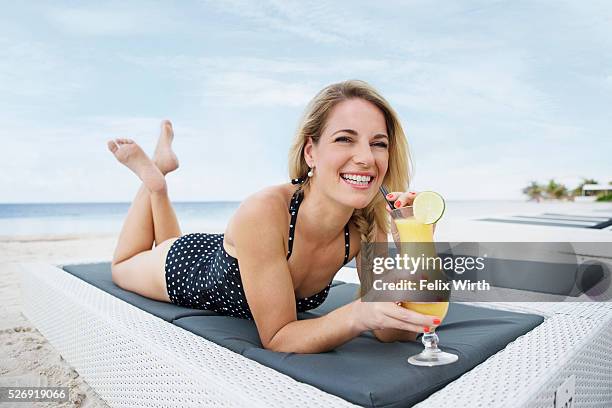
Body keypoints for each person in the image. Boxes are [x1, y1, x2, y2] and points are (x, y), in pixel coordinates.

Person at [107, 80, 440, 353]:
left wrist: (416, 248)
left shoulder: (368, 223)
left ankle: (160, 179)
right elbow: (279, 337)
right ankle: (154, 182)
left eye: (378, 143)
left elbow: (390, 333)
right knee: (124, 264)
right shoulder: (264, 212)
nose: (366, 158)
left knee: (166, 239)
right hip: (185, 267)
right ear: (311, 152)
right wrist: (355, 315)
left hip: (236, 252)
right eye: (345, 139)